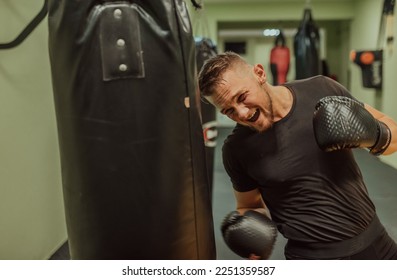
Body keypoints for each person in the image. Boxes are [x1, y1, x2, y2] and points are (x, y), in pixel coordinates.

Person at [198, 51, 397, 260]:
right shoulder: (236, 149)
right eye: (229, 111)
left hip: (378, 243)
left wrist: (375, 134)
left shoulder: (322, 89)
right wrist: (249, 234)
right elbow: (249, 205)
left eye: (242, 97)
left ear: (259, 74)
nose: (242, 113)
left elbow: (393, 137)